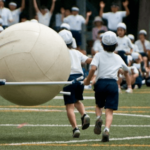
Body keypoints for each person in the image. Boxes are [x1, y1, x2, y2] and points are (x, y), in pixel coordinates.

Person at [84, 31, 131, 142]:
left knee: (98, 105)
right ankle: (106, 129)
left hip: (100, 84)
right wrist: (120, 71)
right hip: (112, 84)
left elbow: (93, 69)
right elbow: (127, 70)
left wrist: (87, 80)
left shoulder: (98, 55)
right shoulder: (118, 57)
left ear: (102, 44)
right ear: (116, 45)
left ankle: (99, 118)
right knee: (109, 110)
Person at [59, 30, 92, 138]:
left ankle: (75, 128)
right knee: (77, 100)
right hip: (80, 79)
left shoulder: (60, 53)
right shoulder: (77, 52)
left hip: (69, 80)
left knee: (69, 106)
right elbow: (88, 60)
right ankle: (84, 114)